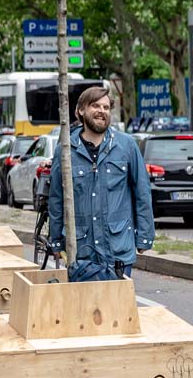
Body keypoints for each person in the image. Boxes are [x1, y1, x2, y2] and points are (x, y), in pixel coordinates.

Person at [47, 86, 154, 279]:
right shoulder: (65, 149)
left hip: (117, 248)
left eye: (106, 107)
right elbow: (56, 198)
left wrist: (144, 237)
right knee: (84, 308)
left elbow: (142, 192)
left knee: (117, 307)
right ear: (80, 111)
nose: (101, 111)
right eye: (95, 106)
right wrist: (55, 240)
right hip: (81, 250)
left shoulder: (126, 146)